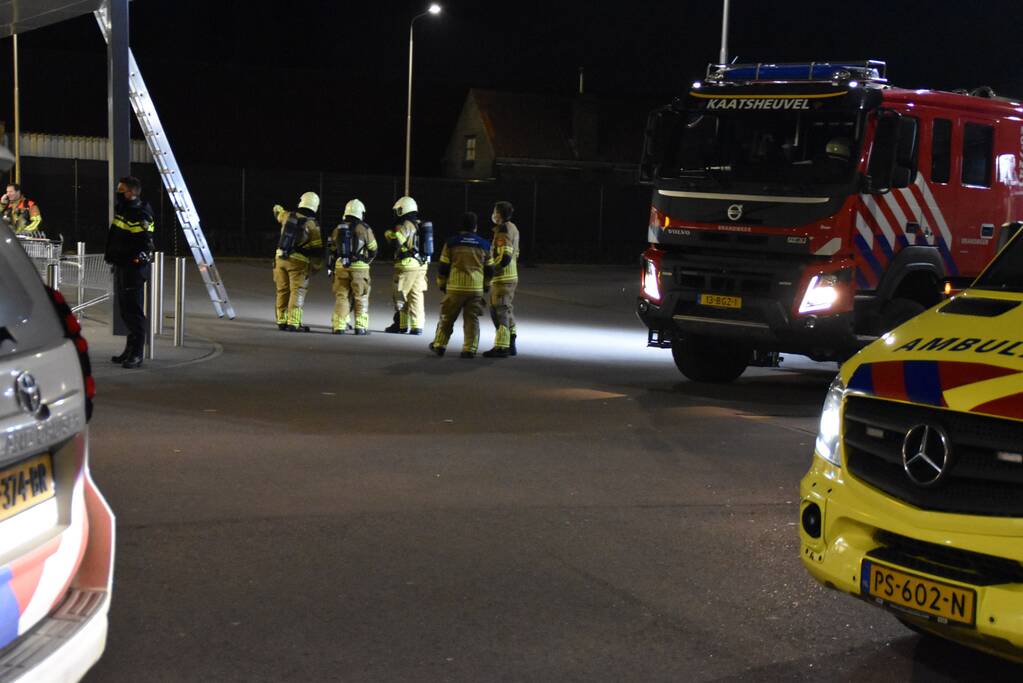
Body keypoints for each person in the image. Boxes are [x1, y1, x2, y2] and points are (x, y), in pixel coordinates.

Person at [104, 176, 155, 369]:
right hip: (122, 265)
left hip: (133, 269)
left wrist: (134, 261)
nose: (118, 193)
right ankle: (129, 350)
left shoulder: (141, 213)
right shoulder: (125, 209)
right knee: (125, 311)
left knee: (134, 311)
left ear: (132, 192)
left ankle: (137, 353)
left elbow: (145, 242)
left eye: (121, 190)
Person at [429, 212, 494, 358]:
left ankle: (439, 345)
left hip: (455, 288)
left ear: (461, 226)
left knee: (447, 318)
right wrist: (486, 284)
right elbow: (490, 268)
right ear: (475, 227)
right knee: (472, 320)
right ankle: (469, 349)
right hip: (475, 289)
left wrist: (442, 282)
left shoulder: (451, 243)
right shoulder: (484, 244)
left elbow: (443, 266)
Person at [272, 192, 324, 332]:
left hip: (280, 258)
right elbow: (317, 248)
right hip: (298, 262)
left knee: (282, 290)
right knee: (297, 291)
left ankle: (281, 321)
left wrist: (278, 208)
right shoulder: (312, 224)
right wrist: (317, 265)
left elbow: (277, 212)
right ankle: (293, 323)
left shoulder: (287, 216)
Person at [329, 198, 377, 335]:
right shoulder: (365, 228)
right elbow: (373, 248)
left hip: (341, 267)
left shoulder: (338, 228)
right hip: (360, 268)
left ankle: (339, 326)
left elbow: (332, 249)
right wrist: (366, 260)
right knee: (361, 297)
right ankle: (360, 327)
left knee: (342, 296)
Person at [383, 196, 427, 335]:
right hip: (421, 265)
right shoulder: (419, 224)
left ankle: (400, 325)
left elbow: (396, 242)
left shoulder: (406, 224)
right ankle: (417, 326)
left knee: (400, 295)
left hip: (407, 266)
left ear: (403, 210)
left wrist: (388, 234)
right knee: (416, 296)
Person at [482, 201, 521, 358]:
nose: (493, 214)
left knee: (499, 312)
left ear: (499, 214)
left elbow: (505, 257)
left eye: (494, 211)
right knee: (506, 309)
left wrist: (492, 268)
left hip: (503, 278)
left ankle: (502, 347)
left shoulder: (503, 231)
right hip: (510, 276)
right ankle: (510, 342)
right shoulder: (513, 227)